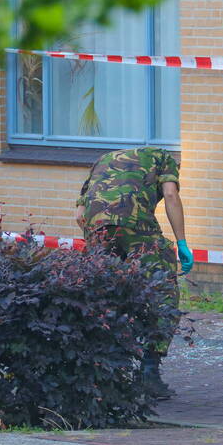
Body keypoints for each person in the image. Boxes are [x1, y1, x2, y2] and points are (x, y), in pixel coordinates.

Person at [75, 146, 194, 398]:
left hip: (96, 226)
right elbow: (171, 195)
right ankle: (149, 373)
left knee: (103, 293)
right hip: (135, 223)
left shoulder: (103, 159)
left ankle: (102, 372)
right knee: (163, 293)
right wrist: (181, 242)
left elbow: (79, 214)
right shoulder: (164, 158)